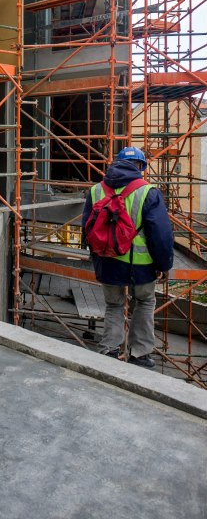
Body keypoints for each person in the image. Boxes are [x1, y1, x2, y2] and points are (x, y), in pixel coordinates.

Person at [81, 146, 174, 369]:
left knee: (113, 304)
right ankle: (139, 354)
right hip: (140, 266)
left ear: (116, 164)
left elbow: (86, 229)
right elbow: (160, 235)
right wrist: (163, 265)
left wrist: (96, 258)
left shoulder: (96, 191)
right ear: (141, 167)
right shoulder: (148, 192)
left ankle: (109, 350)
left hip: (107, 261)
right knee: (144, 302)